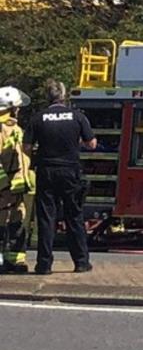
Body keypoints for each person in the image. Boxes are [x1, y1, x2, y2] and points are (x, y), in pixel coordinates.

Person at [23, 79, 95, 274]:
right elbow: (92, 144)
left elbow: (27, 147)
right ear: (64, 96)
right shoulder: (77, 116)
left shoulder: (38, 118)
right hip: (70, 171)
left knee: (47, 219)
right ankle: (81, 262)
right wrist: (75, 141)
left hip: (46, 171)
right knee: (74, 217)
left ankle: (44, 265)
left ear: (48, 96)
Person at [0, 86, 33, 274]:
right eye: (17, 107)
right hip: (4, 191)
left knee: (17, 223)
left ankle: (15, 260)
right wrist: (3, 185)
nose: (19, 110)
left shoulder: (15, 128)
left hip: (15, 190)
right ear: (10, 107)